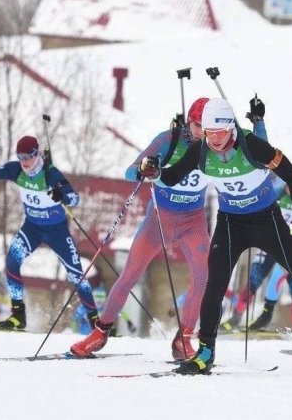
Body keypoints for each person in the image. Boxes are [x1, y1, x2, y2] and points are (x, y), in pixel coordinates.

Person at [158, 97, 292, 374]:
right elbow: (171, 176)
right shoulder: (201, 151)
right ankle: (206, 351)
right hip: (230, 224)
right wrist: (153, 172)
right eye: (209, 133)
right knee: (214, 288)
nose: (213, 140)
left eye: (220, 133)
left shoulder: (253, 146)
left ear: (231, 128)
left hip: (266, 220)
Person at [70, 96, 268, 359]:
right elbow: (131, 171)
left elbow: (260, 153)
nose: (205, 133)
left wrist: (258, 122)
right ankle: (100, 332)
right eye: (199, 126)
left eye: (209, 127)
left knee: (202, 279)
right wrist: (144, 168)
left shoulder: (219, 143)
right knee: (130, 274)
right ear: (190, 123)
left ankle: (183, 339)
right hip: (160, 219)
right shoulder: (168, 140)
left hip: (193, 220)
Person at [0, 135, 96, 330]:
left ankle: (96, 322)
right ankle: (17, 316)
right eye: (20, 157)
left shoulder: (51, 174)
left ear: (36, 154)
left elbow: (74, 199)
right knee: (11, 262)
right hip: (32, 228)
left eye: (27, 157)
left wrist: (61, 195)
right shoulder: (15, 170)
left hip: (57, 231)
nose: (24, 162)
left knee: (77, 276)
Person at [222, 188, 292, 331]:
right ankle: (235, 319)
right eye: (289, 186)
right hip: (268, 247)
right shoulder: (274, 195)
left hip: (288, 250)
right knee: (252, 284)